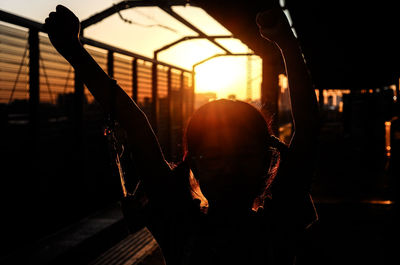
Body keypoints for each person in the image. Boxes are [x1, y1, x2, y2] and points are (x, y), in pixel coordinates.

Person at [44, 4, 319, 265]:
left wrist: (74, 50)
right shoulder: (279, 224)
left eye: (243, 156)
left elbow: (137, 126)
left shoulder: (178, 225)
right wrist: (286, 42)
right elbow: (307, 127)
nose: (229, 169)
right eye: (215, 157)